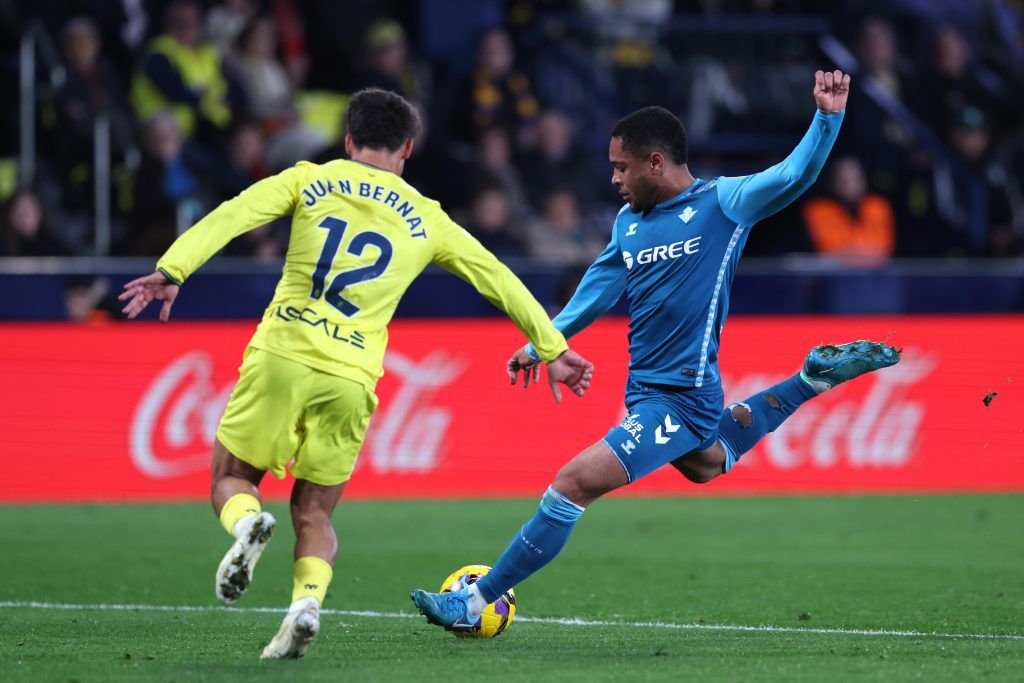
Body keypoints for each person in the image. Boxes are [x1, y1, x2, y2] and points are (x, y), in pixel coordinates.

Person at [410, 70, 902, 630]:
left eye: (621, 167)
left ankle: (473, 604)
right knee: (708, 464)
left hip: (683, 395)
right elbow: (596, 286)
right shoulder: (629, 222)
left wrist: (827, 117)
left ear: (654, 163)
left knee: (572, 483)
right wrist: (546, 342)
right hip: (646, 392)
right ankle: (810, 380)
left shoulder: (725, 203)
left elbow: (795, 175)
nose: (614, 178)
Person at [119, 88, 594, 659]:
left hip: (282, 353)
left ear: (347, 141)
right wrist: (551, 346)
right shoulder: (426, 216)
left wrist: (173, 269)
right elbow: (496, 277)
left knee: (231, 477)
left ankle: (247, 525)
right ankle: (306, 603)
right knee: (314, 511)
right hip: (352, 374)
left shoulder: (307, 179)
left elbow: (233, 213)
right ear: (407, 149)